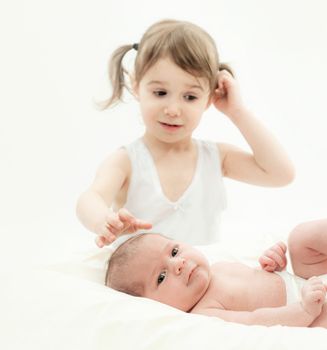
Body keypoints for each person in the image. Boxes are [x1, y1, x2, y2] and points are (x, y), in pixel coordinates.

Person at [76, 19, 294, 248]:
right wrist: (103, 220)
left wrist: (237, 112)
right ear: (136, 86)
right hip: (144, 279)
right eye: (160, 93)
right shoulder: (127, 161)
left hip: (200, 277)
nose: (172, 110)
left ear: (209, 98)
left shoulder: (216, 158)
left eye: (190, 97)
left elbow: (281, 174)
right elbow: (91, 198)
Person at [105, 191, 327, 328]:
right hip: (310, 309)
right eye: (161, 277)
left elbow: (260, 278)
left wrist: (272, 263)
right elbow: (255, 320)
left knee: (300, 239)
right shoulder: (205, 313)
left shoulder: (218, 267)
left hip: (305, 279)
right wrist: (303, 311)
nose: (179, 264)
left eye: (173, 252)